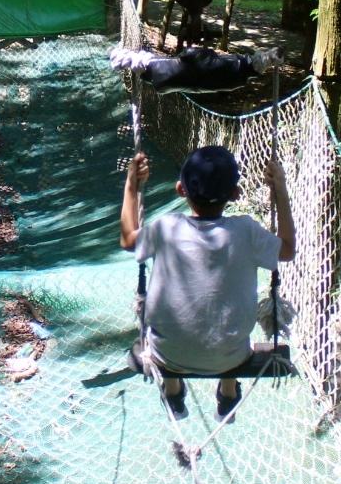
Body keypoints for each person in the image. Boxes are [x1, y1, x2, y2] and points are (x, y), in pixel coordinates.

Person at [119, 144, 295, 419]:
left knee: (173, 333)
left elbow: (128, 239)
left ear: (180, 189)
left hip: (169, 355)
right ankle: (227, 391)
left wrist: (132, 183)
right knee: (226, 325)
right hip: (231, 356)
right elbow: (287, 250)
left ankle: (173, 389)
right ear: (236, 194)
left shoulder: (165, 228)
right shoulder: (246, 231)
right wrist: (280, 189)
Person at [109, 44, 278, 94]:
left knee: (199, 63)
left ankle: (261, 62)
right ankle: (261, 61)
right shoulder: (233, 71)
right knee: (200, 62)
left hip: (163, 76)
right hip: (166, 73)